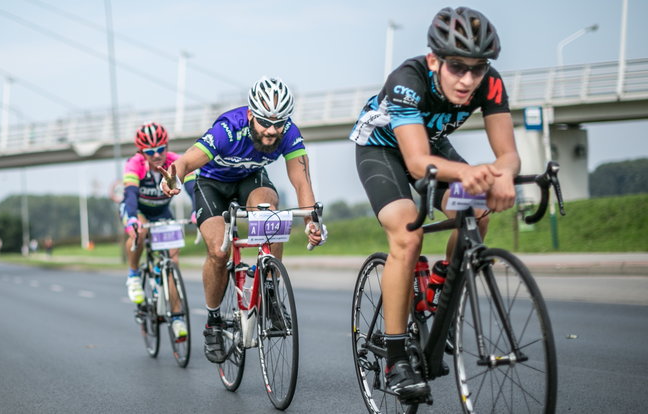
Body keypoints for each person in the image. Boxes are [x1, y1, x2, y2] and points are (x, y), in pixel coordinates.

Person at [349, 7, 518, 403]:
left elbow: (507, 153)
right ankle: (395, 358)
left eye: (477, 68)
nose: (467, 79)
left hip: (431, 144)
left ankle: (444, 288)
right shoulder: (406, 81)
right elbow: (415, 162)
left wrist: (505, 174)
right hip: (383, 149)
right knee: (408, 232)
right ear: (434, 60)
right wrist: (472, 172)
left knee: (476, 210)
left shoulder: (489, 84)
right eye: (457, 66)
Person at [160, 76, 327, 364]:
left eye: (279, 123)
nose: (272, 131)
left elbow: (301, 181)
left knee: (270, 211)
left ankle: (271, 294)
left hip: (250, 180)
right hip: (212, 184)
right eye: (265, 122)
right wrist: (173, 176)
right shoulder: (228, 129)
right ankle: (213, 321)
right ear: (251, 114)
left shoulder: (288, 132)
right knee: (218, 251)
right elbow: (186, 161)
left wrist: (312, 222)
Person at [121, 122, 196, 341]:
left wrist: (197, 209)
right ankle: (134, 274)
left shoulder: (176, 161)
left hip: (162, 212)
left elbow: (192, 187)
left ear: (167, 146)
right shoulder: (135, 164)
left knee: (172, 263)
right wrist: (132, 218)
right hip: (139, 210)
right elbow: (131, 194)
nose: (156, 155)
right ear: (141, 152)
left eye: (160, 149)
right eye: (150, 152)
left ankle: (176, 316)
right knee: (140, 232)